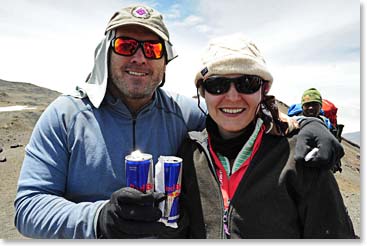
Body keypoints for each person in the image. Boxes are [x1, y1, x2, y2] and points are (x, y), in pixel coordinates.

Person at [14, 4, 345, 239]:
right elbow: (27, 208)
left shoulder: (183, 114)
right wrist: (99, 220)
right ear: (106, 53)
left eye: (153, 48)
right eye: (126, 45)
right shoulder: (65, 116)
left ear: (165, 61)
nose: (139, 57)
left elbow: (236, 115)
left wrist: (305, 126)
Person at [177, 33, 355, 239]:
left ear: (264, 89)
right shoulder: (189, 156)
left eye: (247, 83)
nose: (233, 97)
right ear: (202, 91)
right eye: (217, 84)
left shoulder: (300, 160)